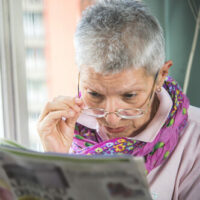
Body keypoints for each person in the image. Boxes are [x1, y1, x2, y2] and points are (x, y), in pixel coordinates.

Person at [37, 0, 200, 199]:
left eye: (129, 96)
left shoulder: (195, 140)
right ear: (80, 75)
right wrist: (56, 160)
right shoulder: (67, 129)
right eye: (95, 94)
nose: (111, 119)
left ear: (161, 76)